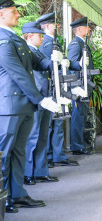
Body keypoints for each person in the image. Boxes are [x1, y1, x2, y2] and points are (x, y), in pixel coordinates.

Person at [0, 0, 61, 213]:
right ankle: (4, 197)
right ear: (1, 14)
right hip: (10, 106)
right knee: (5, 154)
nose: (18, 14)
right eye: (13, 11)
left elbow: (37, 62)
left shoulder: (15, 38)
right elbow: (17, 73)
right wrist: (40, 98)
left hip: (23, 106)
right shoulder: (3, 39)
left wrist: (55, 62)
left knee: (18, 152)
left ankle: (17, 194)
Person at [21, 22, 66, 186]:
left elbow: (44, 64)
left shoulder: (36, 53)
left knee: (42, 136)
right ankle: (28, 173)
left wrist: (57, 60)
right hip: (36, 99)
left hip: (45, 97)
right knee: (32, 138)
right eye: (39, 35)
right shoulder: (25, 51)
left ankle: (40, 171)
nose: (42, 37)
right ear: (29, 36)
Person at [36, 12, 79, 167]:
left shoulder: (53, 42)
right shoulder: (46, 43)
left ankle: (57, 155)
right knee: (51, 123)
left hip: (56, 86)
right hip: (50, 87)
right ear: (46, 26)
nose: (57, 26)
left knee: (57, 122)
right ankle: (50, 156)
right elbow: (49, 66)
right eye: (54, 24)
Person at [67, 17, 94, 155]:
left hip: (85, 85)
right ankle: (77, 146)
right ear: (79, 29)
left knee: (82, 116)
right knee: (78, 116)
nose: (89, 29)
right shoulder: (75, 44)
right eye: (87, 27)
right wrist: (75, 87)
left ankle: (81, 144)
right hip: (79, 86)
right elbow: (71, 66)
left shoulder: (82, 43)